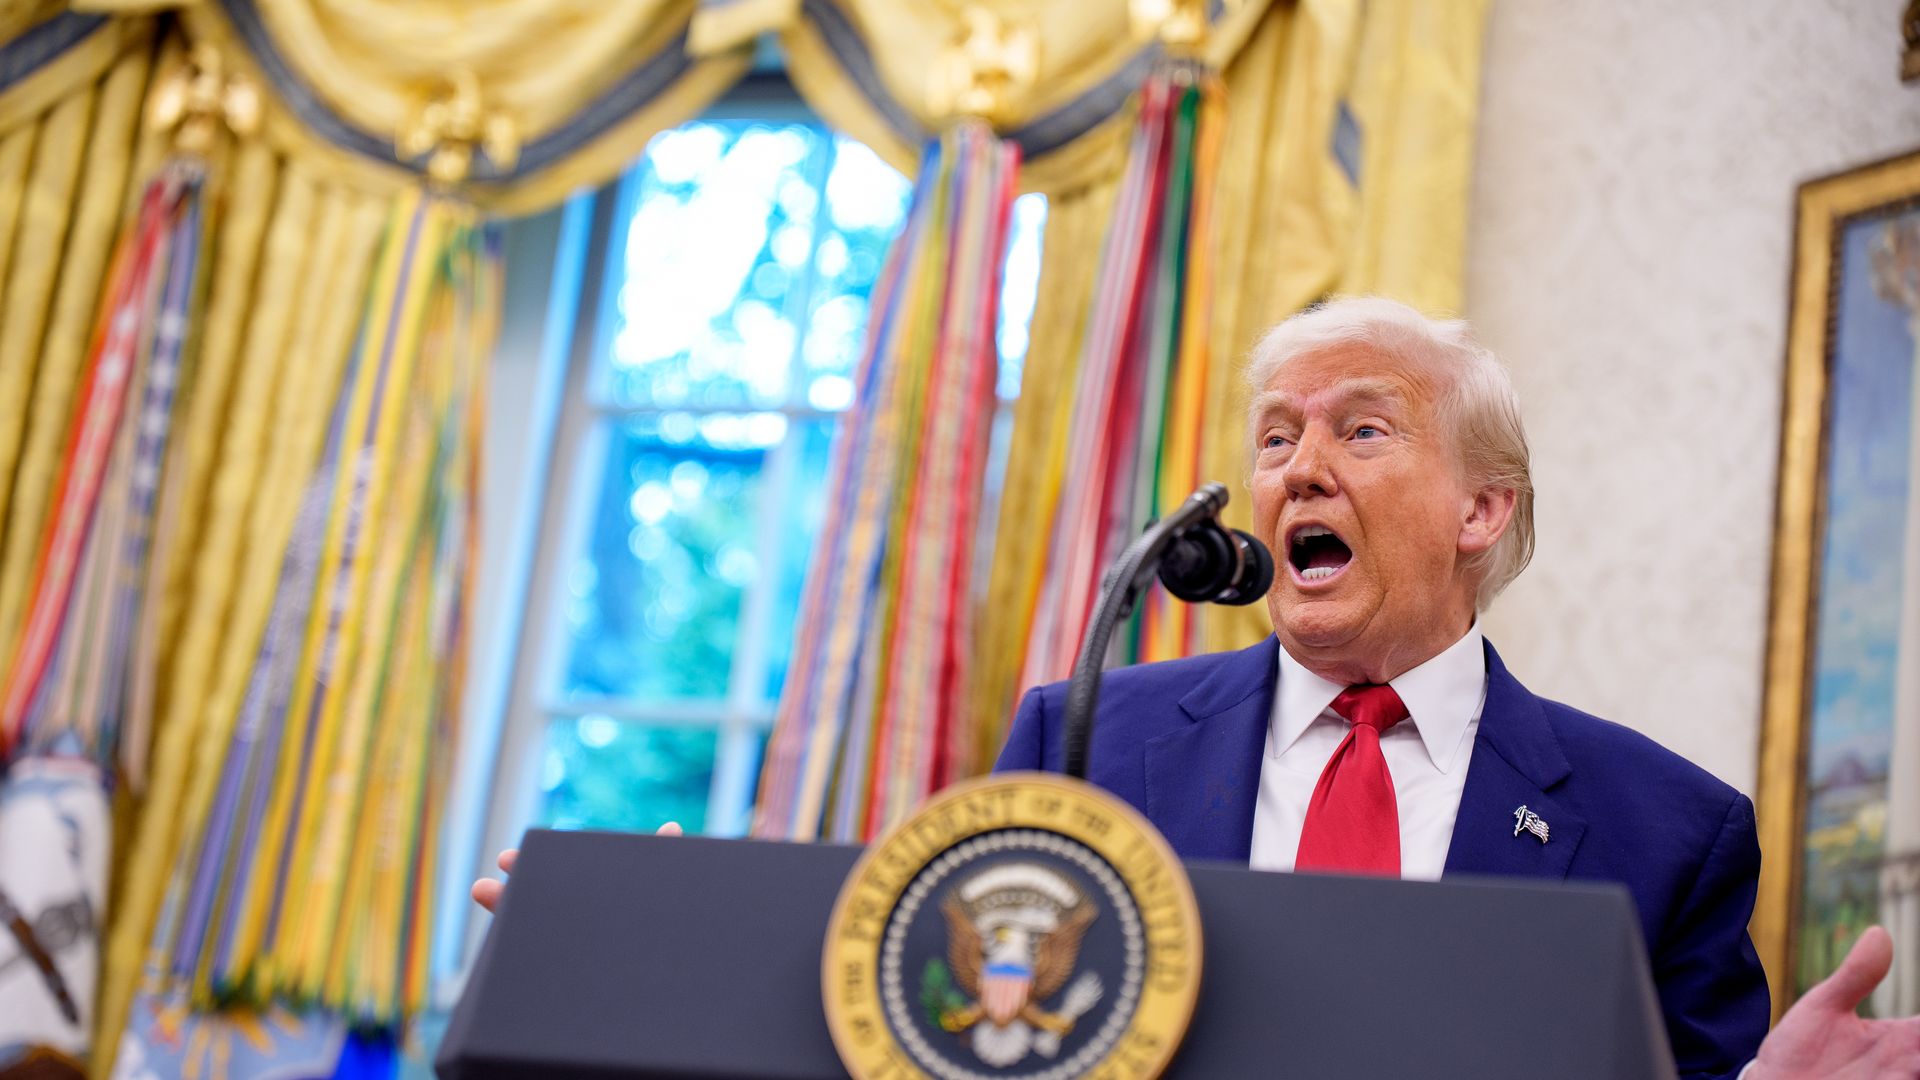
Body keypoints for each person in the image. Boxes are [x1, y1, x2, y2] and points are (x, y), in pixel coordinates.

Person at [477, 297, 1920, 1078]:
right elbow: (947, 1028)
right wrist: (671, 949)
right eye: (1278, 433)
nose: (1299, 464)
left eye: (1364, 428)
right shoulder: (1088, 736)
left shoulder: (1667, 828)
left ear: (1483, 513)